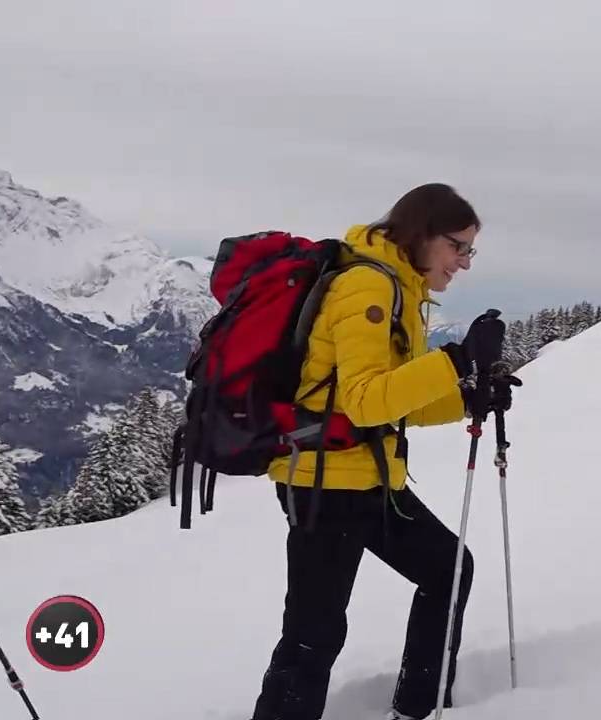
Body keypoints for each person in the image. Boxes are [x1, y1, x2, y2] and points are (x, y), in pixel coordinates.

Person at [250, 183, 518, 720]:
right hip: (324, 484)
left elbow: (399, 402)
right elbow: (366, 401)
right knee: (313, 633)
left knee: (447, 571)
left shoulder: (399, 286)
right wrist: (457, 359)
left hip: (366, 479)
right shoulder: (367, 287)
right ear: (422, 235)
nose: (464, 263)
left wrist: (466, 398)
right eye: (457, 247)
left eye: (470, 250)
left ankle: (417, 707)